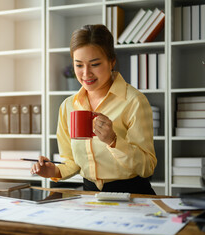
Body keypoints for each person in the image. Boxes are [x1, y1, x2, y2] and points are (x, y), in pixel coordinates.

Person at [30, 24, 157, 195]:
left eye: (95, 64)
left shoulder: (133, 101)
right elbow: (72, 162)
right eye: (79, 65)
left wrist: (113, 141)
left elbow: (147, 167)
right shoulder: (68, 106)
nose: (86, 73)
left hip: (132, 194)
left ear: (112, 62)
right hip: (90, 196)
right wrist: (53, 171)